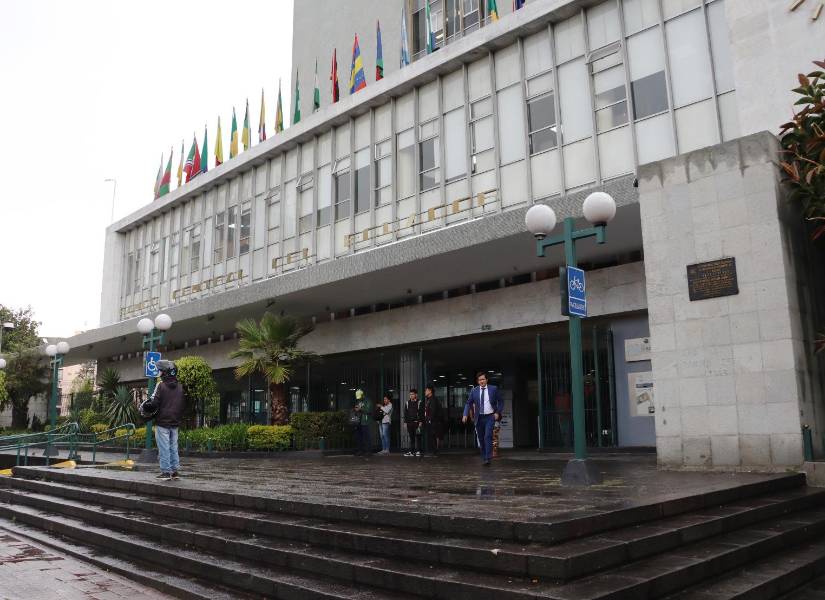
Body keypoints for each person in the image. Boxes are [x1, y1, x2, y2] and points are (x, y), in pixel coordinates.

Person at [141, 360, 186, 481]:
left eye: (160, 370)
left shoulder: (161, 385)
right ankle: (175, 471)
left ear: (165, 372)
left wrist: (145, 408)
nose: (159, 372)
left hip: (162, 422)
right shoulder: (180, 387)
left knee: (164, 447)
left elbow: (154, 403)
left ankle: (166, 472)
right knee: (173, 447)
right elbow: (182, 405)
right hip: (175, 422)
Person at [462, 372, 503, 466]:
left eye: (483, 379)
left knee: (487, 436)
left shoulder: (493, 389)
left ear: (486, 380)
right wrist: (465, 414)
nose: (482, 381)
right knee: (481, 438)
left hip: (490, 417)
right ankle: (485, 457)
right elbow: (468, 403)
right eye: (480, 380)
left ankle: (488, 458)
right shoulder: (474, 391)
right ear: (478, 381)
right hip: (479, 418)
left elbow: (501, 401)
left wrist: (497, 412)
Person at [423, 385, 445, 456]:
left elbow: (433, 411)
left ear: (430, 391)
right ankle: (434, 451)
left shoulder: (433, 400)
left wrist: (429, 419)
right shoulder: (429, 399)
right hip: (432, 421)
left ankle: (435, 452)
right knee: (432, 436)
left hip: (434, 422)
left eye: (426, 390)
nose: (425, 392)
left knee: (434, 436)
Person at [403, 388, 423, 457]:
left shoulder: (419, 402)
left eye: (412, 394)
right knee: (411, 438)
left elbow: (421, 413)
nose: (411, 395)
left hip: (417, 423)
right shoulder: (407, 403)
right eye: (410, 394)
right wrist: (405, 422)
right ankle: (411, 451)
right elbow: (405, 413)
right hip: (409, 423)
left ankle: (418, 451)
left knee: (418, 437)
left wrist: (420, 422)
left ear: (416, 395)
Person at [352, 389, 372, 456]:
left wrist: (360, 409)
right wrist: (355, 409)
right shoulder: (359, 401)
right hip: (359, 421)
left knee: (366, 437)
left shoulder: (367, 401)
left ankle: (368, 451)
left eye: (360, 397)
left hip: (365, 421)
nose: (359, 398)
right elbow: (356, 408)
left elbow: (369, 410)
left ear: (362, 395)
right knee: (359, 437)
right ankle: (360, 450)